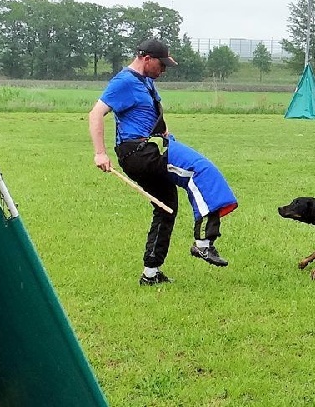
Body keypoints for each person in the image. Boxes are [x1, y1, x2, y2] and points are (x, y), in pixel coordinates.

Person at [89, 38, 238, 286]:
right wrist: (99, 153)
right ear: (146, 59)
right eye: (162, 64)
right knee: (200, 172)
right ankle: (203, 244)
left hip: (150, 146)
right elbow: (96, 113)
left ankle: (151, 273)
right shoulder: (124, 81)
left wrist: (166, 133)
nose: (164, 70)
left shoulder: (146, 81)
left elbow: (152, 114)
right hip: (139, 153)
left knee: (166, 207)